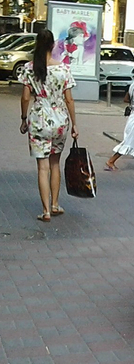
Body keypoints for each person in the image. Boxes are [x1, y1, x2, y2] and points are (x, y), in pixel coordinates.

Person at [19, 29, 78, 223]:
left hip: (38, 120)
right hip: (60, 121)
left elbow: (26, 97)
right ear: (53, 46)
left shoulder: (29, 68)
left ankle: (45, 210)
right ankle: (55, 204)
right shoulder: (63, 69)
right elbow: (69, 100)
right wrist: (75, 124)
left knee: (42, 168)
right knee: (55, 164)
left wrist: (23, 118)